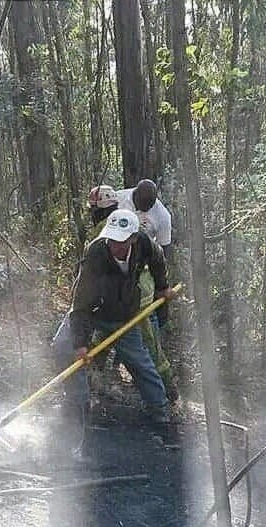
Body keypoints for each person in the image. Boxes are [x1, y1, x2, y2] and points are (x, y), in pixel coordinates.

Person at [67, 209, 174, 429]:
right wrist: (80, 343)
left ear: (133, 238)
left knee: (140, 363)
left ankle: (160, 411)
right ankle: (78, 407)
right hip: (93, 313)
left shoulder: (143, 243)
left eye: (121, 241)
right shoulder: (96, 252)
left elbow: (158, 260)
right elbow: (80, 302)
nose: (115, 245)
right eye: (112, 239)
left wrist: (162, 287)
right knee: (64, 350)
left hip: (125, 317)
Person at [117, 179, 176, 399]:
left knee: (147, 331)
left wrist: (162, 286)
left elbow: (163, 254)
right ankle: (106, 370)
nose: (144, 209)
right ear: (134, 195)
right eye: (141, 203)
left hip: (143, 276)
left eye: (148, 206)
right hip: (114, 269)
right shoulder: (120, 198)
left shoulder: (162, 217)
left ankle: (165, 391)